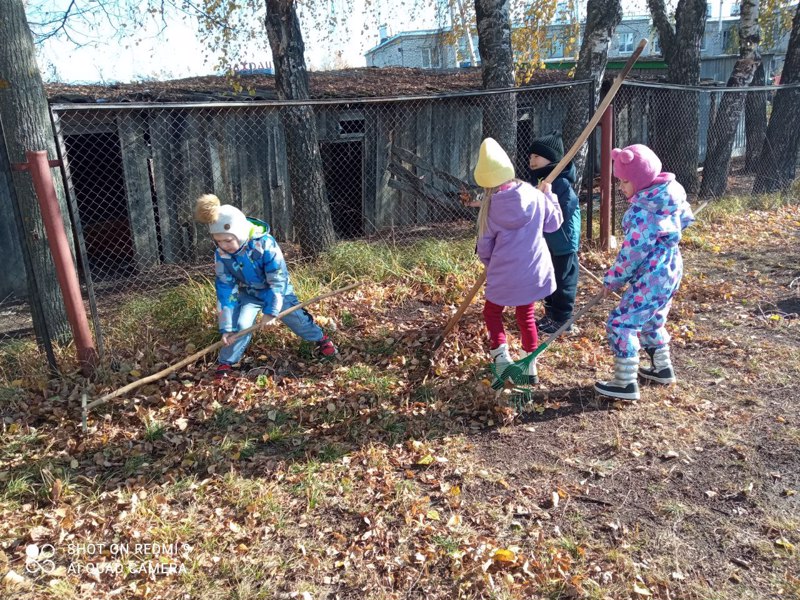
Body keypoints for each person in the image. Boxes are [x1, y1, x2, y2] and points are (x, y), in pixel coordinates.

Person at [194, 194, 337, 380]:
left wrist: (271, 311)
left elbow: (277, 278)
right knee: (239, 326)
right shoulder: (222, 254)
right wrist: (226, 326)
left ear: (240, 233)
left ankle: (320, 338)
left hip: (276, 291)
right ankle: (226, 362)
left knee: (296, 319)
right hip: (250, 293)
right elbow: (225, 287)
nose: (223, 245)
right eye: (218, 241)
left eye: (227, 240)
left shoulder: (265, 244)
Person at [594, 144, 695, 401]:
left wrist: (613, 280)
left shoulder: (642, 212)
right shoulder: (669, 194)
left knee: (622, 322)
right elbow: (685, 218)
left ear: (639, 181)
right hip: (671, 267)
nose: (620, 187)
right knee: (653, 318)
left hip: (652, 274)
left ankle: (625, 383)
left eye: (625, 181)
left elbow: (632, 253)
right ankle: (662, 368)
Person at [474, 138, 564, 384]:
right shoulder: (534, 196)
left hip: (504, 274)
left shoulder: (490, 208)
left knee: (492, 312)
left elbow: (485, 247)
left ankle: (502, 359)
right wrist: (550, 197)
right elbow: (554, 224)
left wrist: (489, 264)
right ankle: (528, 366)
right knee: (525, 316)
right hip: (533, 271)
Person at [527, 131, 581, 334]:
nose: (531, 160)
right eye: (531, 156)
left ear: (551, 159)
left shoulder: (561, 183)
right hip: (547, 241)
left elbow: (563, 212)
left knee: (563, 280)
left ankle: (563, 319)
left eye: (536, 157)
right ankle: (550, 313)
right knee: (548, 276)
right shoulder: (540, 180)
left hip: (563, 241)